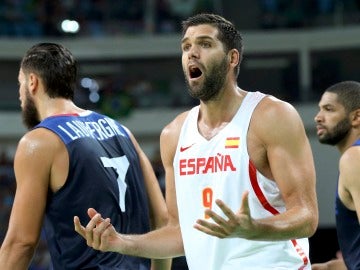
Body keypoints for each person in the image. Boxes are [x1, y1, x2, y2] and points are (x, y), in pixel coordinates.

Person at [74, 13, 319, 269]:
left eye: (205, 44)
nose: (192, 53)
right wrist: (120, 242)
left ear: (232, 58)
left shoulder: (271, 116)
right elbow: (180, 233)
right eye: (186, 46)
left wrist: (255, 228)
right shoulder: (174, 134)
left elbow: (307, 216)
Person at [0, 42, 171, 270]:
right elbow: (162, 220)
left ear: (32, 82)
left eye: (21, 84)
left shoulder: (39, 141)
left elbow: (21, 243)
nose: (21, 96)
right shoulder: (123, 131)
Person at [312, 80, 360, 270]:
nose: (318, 117)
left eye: (329, 109)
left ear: (356, 117)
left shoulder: (354, 158)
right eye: (319, 109)